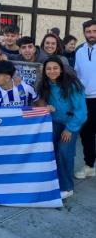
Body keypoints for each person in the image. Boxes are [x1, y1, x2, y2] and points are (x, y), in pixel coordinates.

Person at [38, 56, 87, 199]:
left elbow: (81, 112)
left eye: (55, 68)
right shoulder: (44, 84)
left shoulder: (72, 84)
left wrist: (70, 129)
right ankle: (54, 180)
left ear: (61, 69)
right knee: (50, 150)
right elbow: (39, 102)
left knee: (64, 151)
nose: (52, 71)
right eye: (48, 68)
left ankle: (67, 187)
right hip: (53, 122)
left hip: (70, 123)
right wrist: (44, 106)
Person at [75, 19, 96, 179]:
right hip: (85, 99)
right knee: (87, 134)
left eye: (94, 31)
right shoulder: (80, 51)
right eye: (88, 32)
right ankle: (89, 165)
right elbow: (77, 74)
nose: (91, 34)